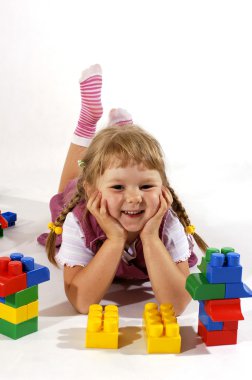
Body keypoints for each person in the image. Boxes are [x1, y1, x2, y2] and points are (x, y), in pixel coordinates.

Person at [38, 64, 208, 316]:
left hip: (115, 196)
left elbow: (177, 305)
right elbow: (82, 303)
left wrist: (150, 236)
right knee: (65, 191)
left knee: (113, 168)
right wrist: (115, 239)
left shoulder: (168, 222)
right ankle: (88, 122)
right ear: (93, 190)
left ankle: (122, 130)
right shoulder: (79, 219)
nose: (135, 197)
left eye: (147, 185)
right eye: (118, 187)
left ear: (163, 188)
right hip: (86, 194)